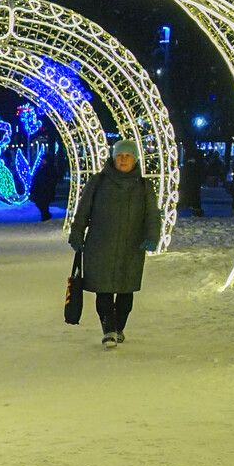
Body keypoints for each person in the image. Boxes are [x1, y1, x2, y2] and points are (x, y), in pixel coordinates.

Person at [69, 139, 161, 348]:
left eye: (128, 156)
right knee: (104, 290)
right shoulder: (98, 182)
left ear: (135, 159)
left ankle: (119, 327)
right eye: (120, 156)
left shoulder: (144, 186)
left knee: (126, 290)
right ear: (113, 158)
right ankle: (108, 330)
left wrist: (151, 238)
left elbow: (152, 216)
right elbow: (83, 210)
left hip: (132, 247)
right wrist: (77, 233)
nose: (123, 160)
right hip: (100, 245)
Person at [29, 147, 61, 222]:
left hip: (45, 190)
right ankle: (45, 216)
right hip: (40, 190)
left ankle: (46, 216)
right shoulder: (42, 167)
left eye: (43, 159)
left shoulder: (49, 169)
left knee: (43, 204)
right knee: (40, 203)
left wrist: (47, 186)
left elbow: (52, 179)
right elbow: (37, 178)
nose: (42, 161)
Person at [180, 148, 205, 217]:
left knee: (194, 195)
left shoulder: (193, 164)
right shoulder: (200, 163)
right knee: (196, 195)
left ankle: (196, 209)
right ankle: (197, 210)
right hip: (195, 182)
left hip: (192, 182)